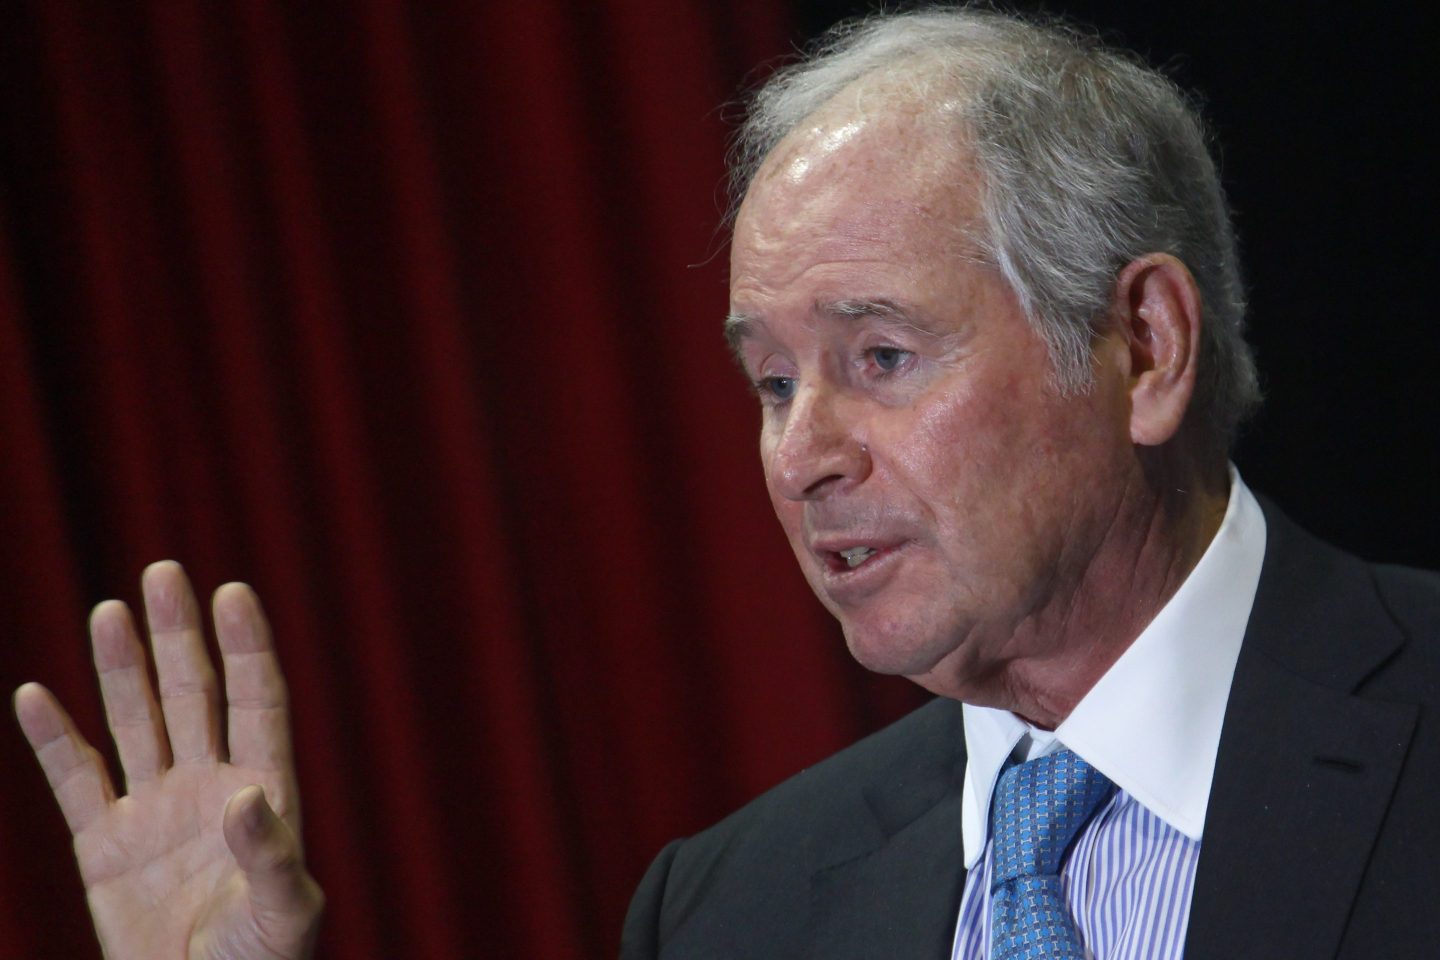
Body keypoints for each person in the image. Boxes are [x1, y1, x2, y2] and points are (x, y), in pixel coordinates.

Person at [15, 7, 1439, 960]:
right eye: (770, 383)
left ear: (1145, 347)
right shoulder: (728, 911)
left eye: (880, 356)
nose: (802, 455)